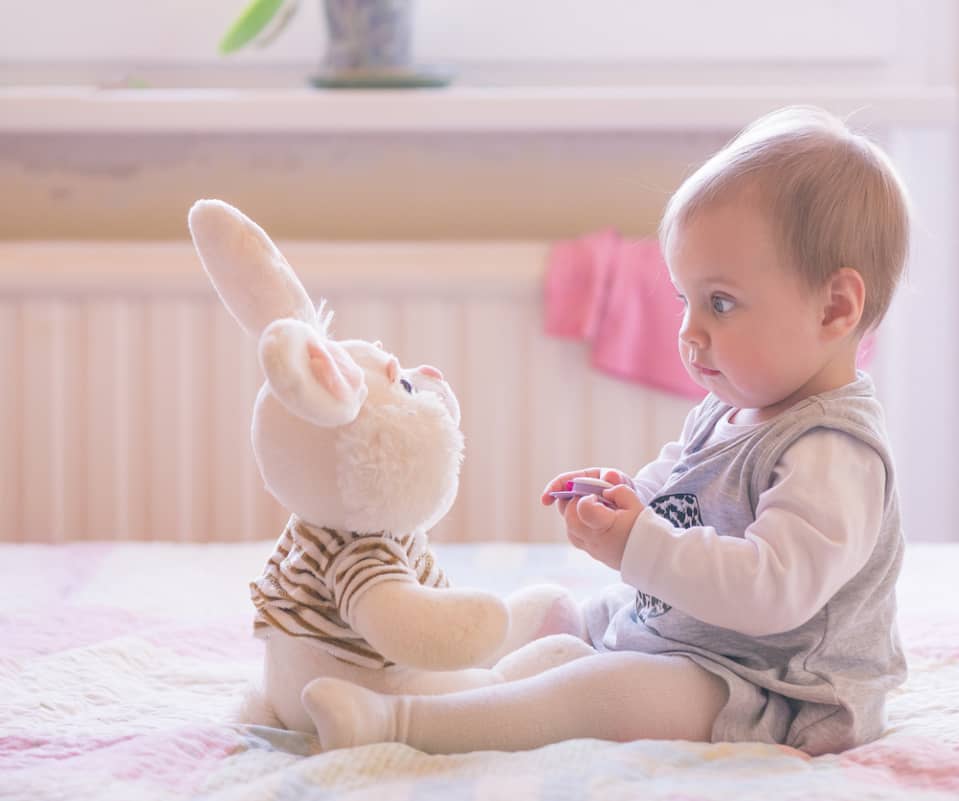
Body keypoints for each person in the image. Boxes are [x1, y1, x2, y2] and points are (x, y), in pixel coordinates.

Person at [302, 105, 911, 756]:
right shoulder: (734, 403)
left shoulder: (833, 451)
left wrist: (639, 545)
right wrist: (627, 498)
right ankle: (424, 678)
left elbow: (773, 589)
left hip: (774, 687)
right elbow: (680, 481)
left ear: (835, 307)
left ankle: (402, 726)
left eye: (721, 302)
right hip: (686, 634)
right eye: (685, 300)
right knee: (550, 615)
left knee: (607, 688)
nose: (689, 330)